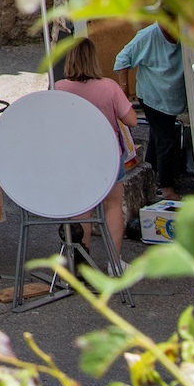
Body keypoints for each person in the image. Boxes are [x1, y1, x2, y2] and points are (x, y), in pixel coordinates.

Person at [54, 38, 138, 257]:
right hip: (108, 155)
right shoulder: (109, 87)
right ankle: (114, 262)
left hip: (75, 157)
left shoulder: (59, 87)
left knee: (82, 209)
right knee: (113, 206)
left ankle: (82, 262)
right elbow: (132, 120)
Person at [114, 22, 186, 201]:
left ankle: (149, 177)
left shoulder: (185, 30)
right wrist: (124, 88)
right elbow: (122, 58)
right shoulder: (148, 35)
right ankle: (167, 188)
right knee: (165, 140)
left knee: (158, 137)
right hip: (152, 95)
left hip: (170, 97)